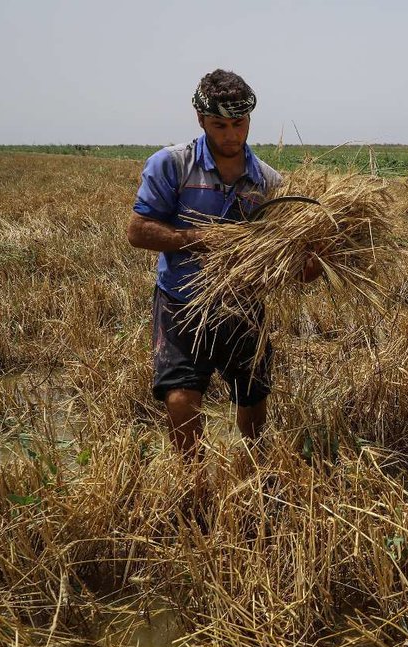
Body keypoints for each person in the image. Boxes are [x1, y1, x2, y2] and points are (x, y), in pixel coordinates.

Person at [127, 69, 321, 466]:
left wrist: (314, 263)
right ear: (201, 120)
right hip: (182, 300)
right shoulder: (172, 165)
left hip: (243, 307)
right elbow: (138, 231)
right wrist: (201, 239)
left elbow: (289, 264)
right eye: (219, 125)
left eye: (239, 124)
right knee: (180, 395)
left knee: (252, 392)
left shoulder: (268, 182)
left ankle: (253, 465)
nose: (231, 135)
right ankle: (193, 476)